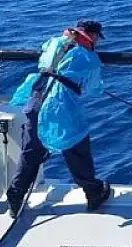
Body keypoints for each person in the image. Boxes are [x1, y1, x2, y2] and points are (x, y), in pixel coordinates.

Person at [6, 20, 111, 218]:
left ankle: (16, 193)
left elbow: (44, 54)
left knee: (31, 151)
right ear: (93, 35)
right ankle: (93, 192)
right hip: (59, 106)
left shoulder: (55, 43)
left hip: (36, 98)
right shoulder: (88, 57)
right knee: (76, 147)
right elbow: (94, 88)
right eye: (97, 37)